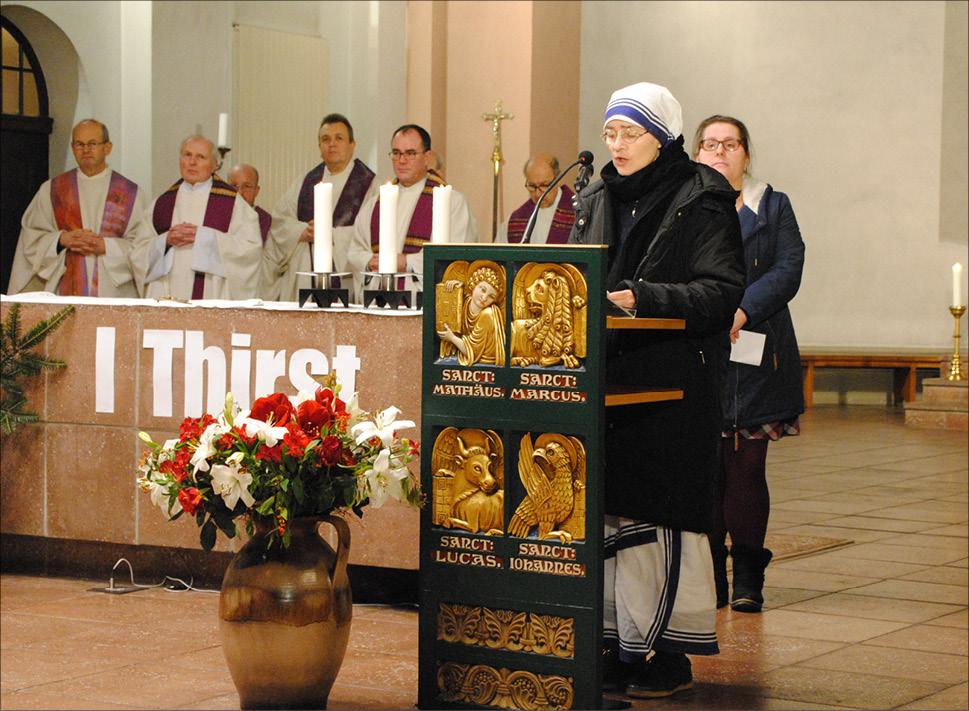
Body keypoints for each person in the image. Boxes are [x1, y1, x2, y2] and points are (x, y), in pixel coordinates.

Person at [569, 82, 745, 698]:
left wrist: (646, 298)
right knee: (613, 518)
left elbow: (722, 292)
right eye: (610, 133)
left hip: (672, 381)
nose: (616, 146)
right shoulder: (593, 196)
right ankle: (618, 645)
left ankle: (669, 653)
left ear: (664, 137)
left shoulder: (703, 196)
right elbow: (571, 271)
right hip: (608, 381)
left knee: (660, 518)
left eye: (631, 134)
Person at [692, 115, 805, 613]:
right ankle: (712, 574)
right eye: (709, 144)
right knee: (707, 469)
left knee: (746, 465)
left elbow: (788, 268)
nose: (719, 152)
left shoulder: (773, 206)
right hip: (700, 352)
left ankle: (748, 578)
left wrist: (741, 308)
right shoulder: (685, 207)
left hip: (760, 354)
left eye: (729, 144)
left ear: (746, 154)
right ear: (696, 153)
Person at [8, 119, 147, 296]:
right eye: (79, 144)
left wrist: (106, 246)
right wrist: (61, 240)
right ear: (73, 148)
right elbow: (31, 239)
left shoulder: (131, 193)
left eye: (93, 143)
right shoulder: (53, 190)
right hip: (64, 286)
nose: (86, 150)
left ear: (108, 147)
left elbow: (144, 247)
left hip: (114, 291)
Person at [131, 135, 262, 300]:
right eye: (187, 155)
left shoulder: (233, 203)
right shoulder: (161, 203)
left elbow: (250, 251)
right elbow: (137, 253)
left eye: (200, 157)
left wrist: (205, 238)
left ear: (215, 165)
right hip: (166, 294)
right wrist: (165, 241)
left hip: (211, 294)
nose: (192, 162)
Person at [346, 124, 478, 285]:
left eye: (410, 153)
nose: (402, 160)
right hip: (380, 298)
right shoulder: (374, 204)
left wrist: (406, 262)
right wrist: (369, 261)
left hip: (425, 301)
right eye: (396, 153)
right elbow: (355, 251)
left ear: (427, 157)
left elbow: (456, 256)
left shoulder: (452, 202)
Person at [265, 114, 377, 301]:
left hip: (345, 280)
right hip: (304, 276)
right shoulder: (305, 182)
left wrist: (331, 235)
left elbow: (371, 234)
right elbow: (279, 222)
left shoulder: (370, 185)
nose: (332, 144)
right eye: (325, 139)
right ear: (319, 147)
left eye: (339, 138)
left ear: (352, 145)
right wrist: (302, 231)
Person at [496, 153, 575, 244]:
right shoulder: (515, 221)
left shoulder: (577, 213)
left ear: (558, 179)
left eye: (544, 185)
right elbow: (498, 255)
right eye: (532, 186)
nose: (538, 194)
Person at [437, 263, 505, 366]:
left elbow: (472, 351)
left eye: (491, 296)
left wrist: (452, 338)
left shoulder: (488, 314)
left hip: (485, 361)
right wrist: (456, 289)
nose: (484, 297)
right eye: (483, 290)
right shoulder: (465, 302)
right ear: (473, 284)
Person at [228, 163, 271, 243]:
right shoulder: (217, 214)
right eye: (234, 186)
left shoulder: (264, 219)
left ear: (256, 191)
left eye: (247, 186)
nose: (239, 192)